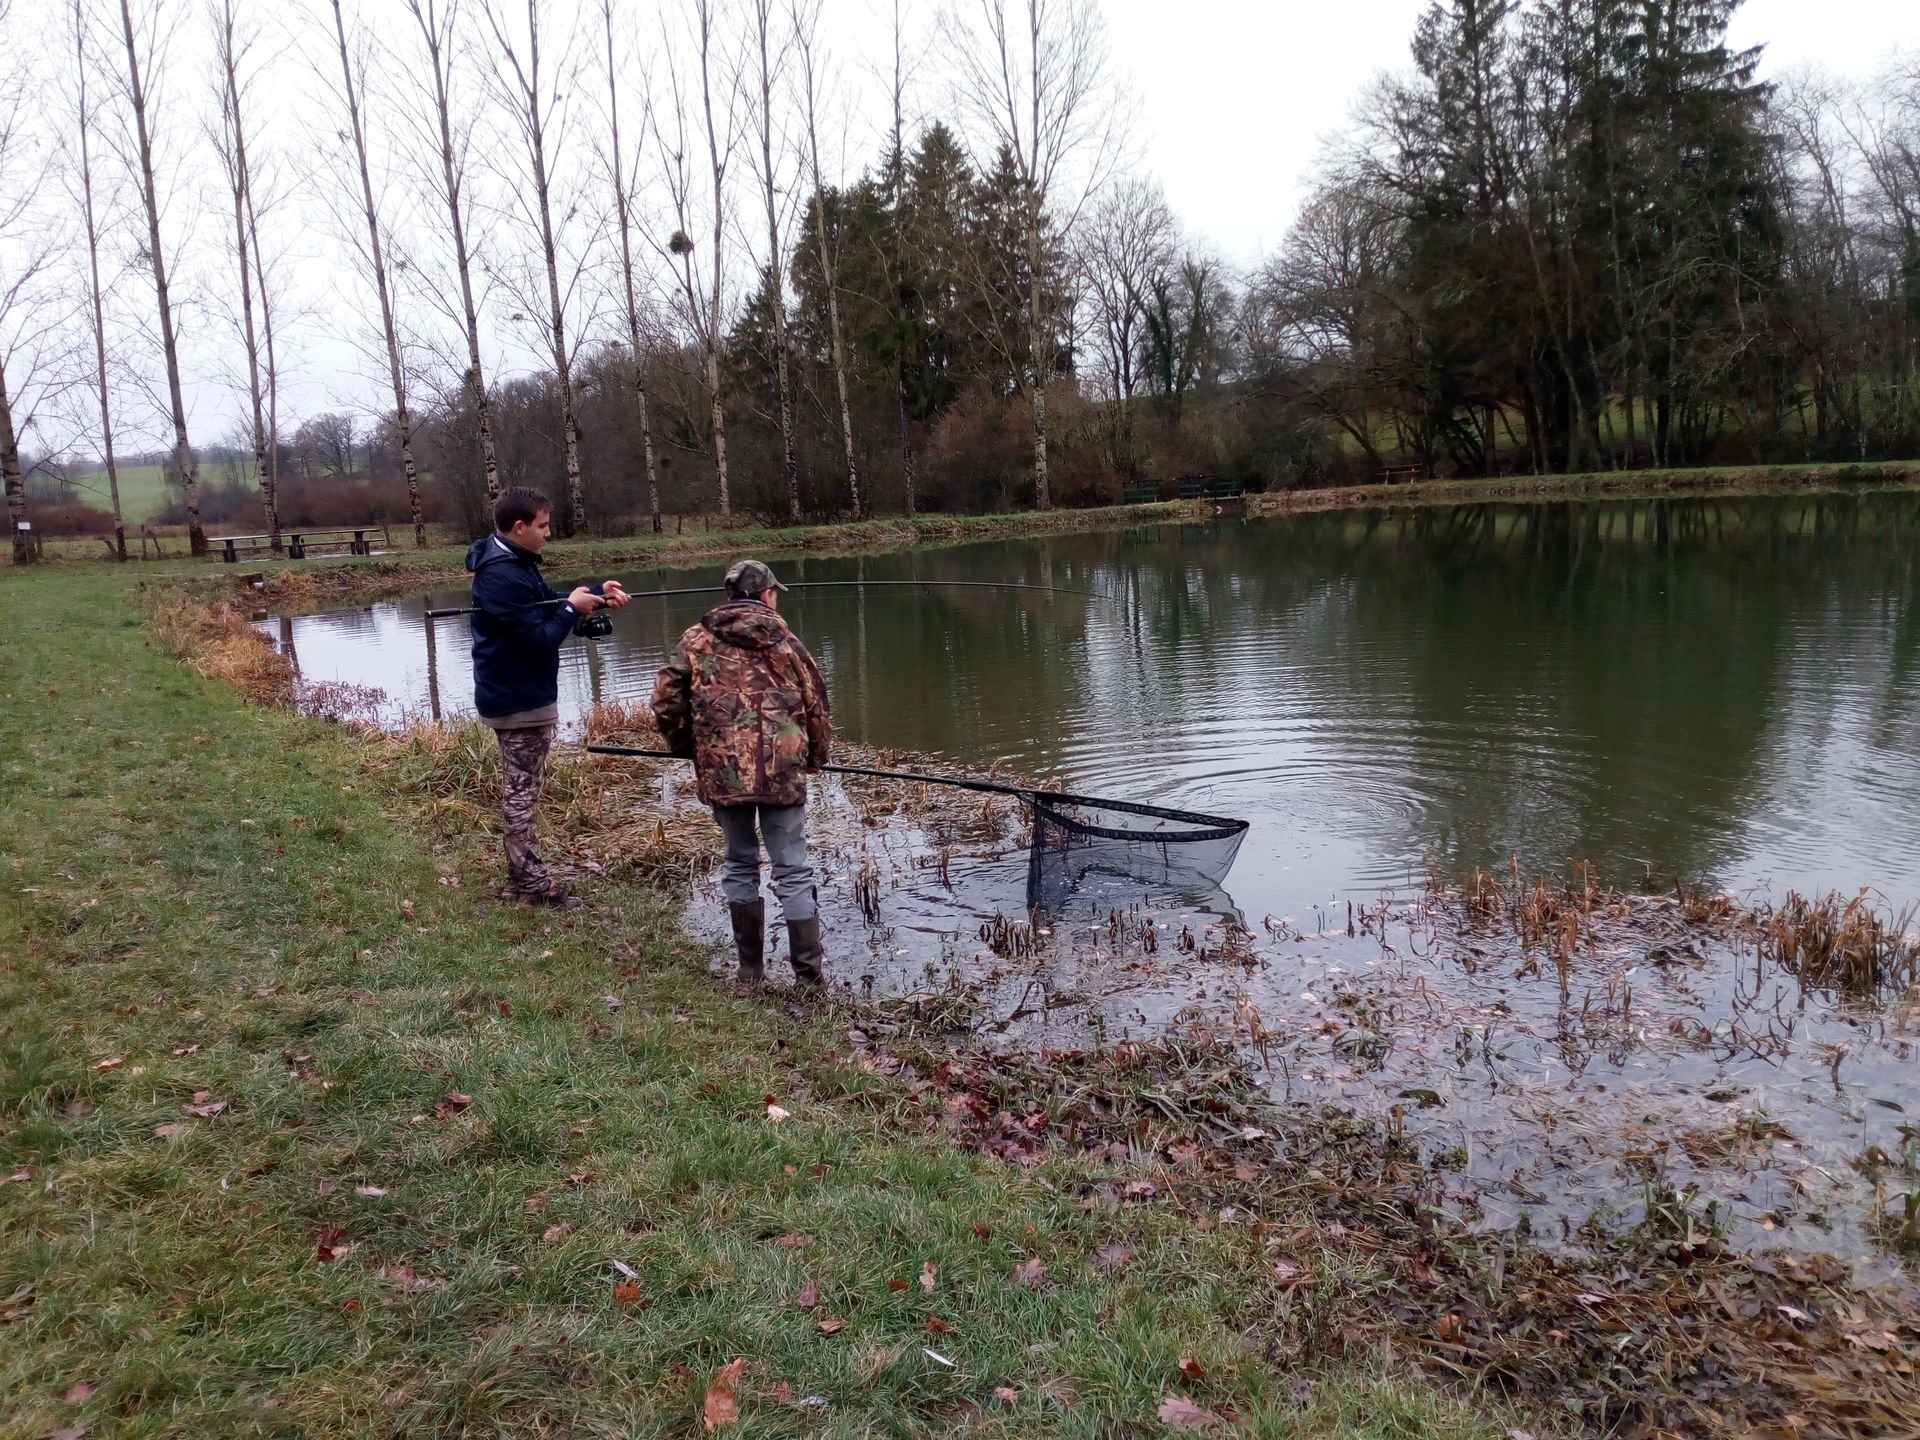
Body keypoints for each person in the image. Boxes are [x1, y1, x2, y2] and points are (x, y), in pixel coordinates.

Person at [650, 559, 832, 988]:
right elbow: (817, 705)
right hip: (781, 772)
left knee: (739, 863)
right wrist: (815, 758)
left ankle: (750, 974)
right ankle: (809, 978)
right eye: (774, 592)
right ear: (767, 593)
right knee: (792, 869)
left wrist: (690, 750)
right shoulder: (786, 641)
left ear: (732, 595)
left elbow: (664, 701)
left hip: (723, 771)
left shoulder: (696, 640)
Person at [466, 486, 630, 908]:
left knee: (521, 791)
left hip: (517, 692)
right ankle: (533, 887)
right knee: (521, 795)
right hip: (518, 699)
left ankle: (520, 880)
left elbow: (545, 601)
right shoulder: (502, 574)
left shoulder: (510, 561)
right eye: (543, 526)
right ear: (519, 527)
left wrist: (594, 592)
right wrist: (572, 610)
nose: (549, 533)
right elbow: (540, 637)